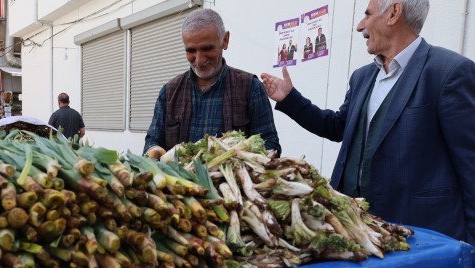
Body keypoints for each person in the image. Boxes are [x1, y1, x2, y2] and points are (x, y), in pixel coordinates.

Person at [260, 0, 475, 245]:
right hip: (356, 226)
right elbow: (337, 127)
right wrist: (289, 99)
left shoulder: (448, 72)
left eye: (367, 14)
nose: (359, 26)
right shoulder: (363, 77)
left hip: (419, 234)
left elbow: (470, 166)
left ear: (394, 13)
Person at [144, 9, 281, 159]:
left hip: (230, 181)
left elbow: (269, 144)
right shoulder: (169, 92)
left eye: (207, 48)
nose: (199, 60)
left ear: (225, 40)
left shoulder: (250, 88)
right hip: (179, 182)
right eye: (191, 51)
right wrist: (155, 153)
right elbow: (152, 141)